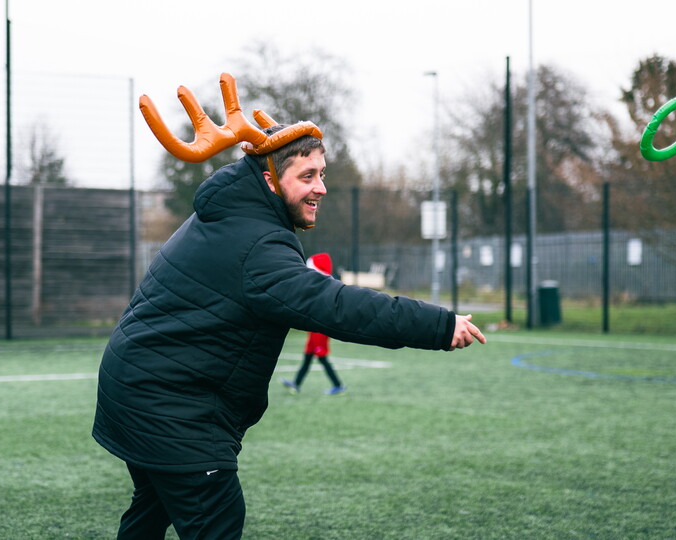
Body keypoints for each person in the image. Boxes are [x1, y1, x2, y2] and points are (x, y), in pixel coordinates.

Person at [93, 117, 485, 538]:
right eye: (307, 176)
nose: (321, 187)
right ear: (271, 179)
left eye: (322, 174)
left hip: (137, 389)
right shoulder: (259, 244)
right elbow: (337, 306)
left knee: (151, 511)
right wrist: (438, 325)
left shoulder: (229, 215)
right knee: (217, 519)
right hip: (170, 405)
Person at [281, 252, 346, 395]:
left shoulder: (325, 287)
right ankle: (296, 384)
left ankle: (338, 385)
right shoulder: (317, 286)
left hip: (320, 329)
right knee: (308, 356)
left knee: (321, 356)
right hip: (314, 328)